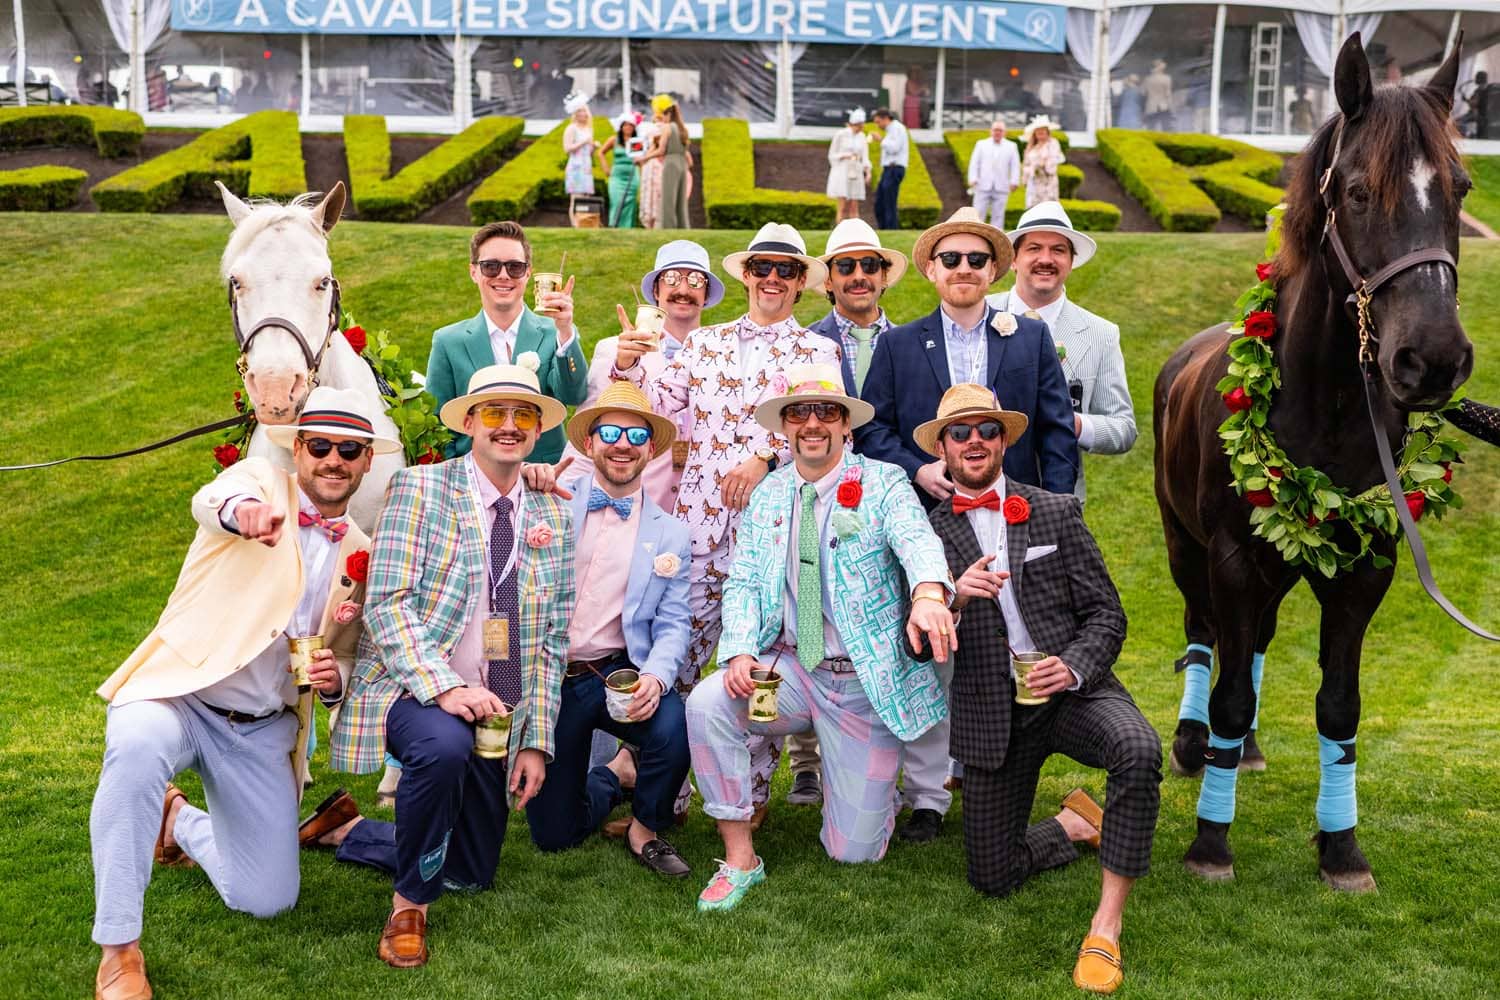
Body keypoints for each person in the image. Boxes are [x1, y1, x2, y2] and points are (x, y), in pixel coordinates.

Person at [88, 387, 390, 1000]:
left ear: (365, 462)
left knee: (267, 900)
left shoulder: (361, 552)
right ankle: (119, 950)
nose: (334, 460)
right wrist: (242, 514)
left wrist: (335, 685)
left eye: (350, 450)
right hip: (178, 694)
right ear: (298, 449)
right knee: (137, 750)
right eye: (321, 445)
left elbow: (352, 656)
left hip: (262, 728)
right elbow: (215, 498)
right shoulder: (258, 480)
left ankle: (179, 822)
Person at [324, 364, 573, 969]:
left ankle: (344, 829)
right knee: (442, 748)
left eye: (523, 415)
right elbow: (385, 605)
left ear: (538, 428)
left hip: (498, 705)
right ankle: (408, 909)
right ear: (468, 422)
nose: (509, 427)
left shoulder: (554, 513)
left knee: (472, 870)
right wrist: (445, 688)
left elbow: (551, 641)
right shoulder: (419, 488)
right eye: (494, 413)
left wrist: (536, 741)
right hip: (413, 688)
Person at [686, 365, 956, 911]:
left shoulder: (883, 483)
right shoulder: (769, 494)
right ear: (784, 428)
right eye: (799, 414)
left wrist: (928, 593)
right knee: (709, 701)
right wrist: (739, 650)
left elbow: (917, 540)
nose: (813, 424)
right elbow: (742, 581)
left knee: (853, 853)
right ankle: (740, 856)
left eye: (826, 413)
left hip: (862, 683)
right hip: (786, 673)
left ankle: (857, 782)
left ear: (845, 427)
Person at [920, 382, 1160, 995]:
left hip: (1074, 694)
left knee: (1138, 749)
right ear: (942, 449)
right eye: (960, 433)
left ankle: (1106, 927)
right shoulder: (922, 537)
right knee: (991, 877)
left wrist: (1073, 666)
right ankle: (1076, 824)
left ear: (1004, 441)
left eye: (987, 430)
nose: (974, 442)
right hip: (993, 716)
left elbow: (1108, 614)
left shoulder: (1053, 509)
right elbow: (909, 646)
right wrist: (951, 599)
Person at [858, 206, 1078, 843]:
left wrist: (1052, 519)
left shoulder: (1028, 337)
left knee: (1011, 640)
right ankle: (927, 794)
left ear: (992, 270)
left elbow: (1057, 431)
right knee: (932, 650)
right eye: (950, 258)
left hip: (1014, 517)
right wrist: (918, 470)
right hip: (928, 520)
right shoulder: (900, 345)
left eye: (976, 259)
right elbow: (871, 428)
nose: (962, 269)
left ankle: (995, 771)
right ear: (930, 270)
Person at [612, 223, 841, 822]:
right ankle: (669, 795)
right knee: (681, 657)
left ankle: (753, 794)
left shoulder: (818, 352)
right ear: (744, 274)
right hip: (697, 530)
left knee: (760, 662)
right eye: (762, 266)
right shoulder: (703, 343)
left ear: (800, 283)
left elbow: (829, 434)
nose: (772, 278)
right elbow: (658, 409)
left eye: (785, 270)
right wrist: (629, 363)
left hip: (778, 531)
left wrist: (766, 457)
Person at [790, 219, 910, 804]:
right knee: (810, 608)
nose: (859, 276)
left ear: (885, 276)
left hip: (889, 495)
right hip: (814, 489)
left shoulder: (911, 342)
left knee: (882, 615)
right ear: (828, 281)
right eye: (846, 267)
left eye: (869, 266)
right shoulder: (806, 343)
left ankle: (892, 744)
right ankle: (806, 757)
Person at [558, 239, 725, 513]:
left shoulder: (720, 358)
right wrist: (565, 501)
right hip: (633, 510)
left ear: (706, 294)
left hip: (701, 513)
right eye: (671, 279)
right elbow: (587, 441)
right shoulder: (615, 350)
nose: (683, 289)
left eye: (695, 281)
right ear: (656, 290)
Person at [988, 202, 1136, 503]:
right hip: (980, 492)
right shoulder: (979, 315)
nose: (1046, 259)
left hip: (1059, 501)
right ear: (1014, 258)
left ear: (1071, 261)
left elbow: (1124, 429)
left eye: (1058, 250)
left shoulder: (1101, 334)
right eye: (1034, 248)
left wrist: (1074, 423)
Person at [426, 220, 588, 464]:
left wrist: (564, 331)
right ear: (473, 271)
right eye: (490, 266)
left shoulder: (555, 332)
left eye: (514, 267)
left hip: (542, 474)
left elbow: (574, 394)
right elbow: (436, 424)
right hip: (471, 477)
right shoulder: (448, 341)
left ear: (528, 273)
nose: (503, 275)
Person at [641, 93, 691, 229]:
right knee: (681, 200)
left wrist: (644, 158)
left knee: (668, 197)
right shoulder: (683, 129)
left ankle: (668, 226)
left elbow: (661, 150)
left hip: (670, 163)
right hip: (682, 164)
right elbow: (687, 153)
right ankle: (683, 226)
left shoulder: (667, 127)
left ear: (667, 114)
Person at [967, 120, 1020, 226]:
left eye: (1000, 130)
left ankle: (997, 239)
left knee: (998, 215)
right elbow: (974, 163)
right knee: (978, 214)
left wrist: (1014, 181)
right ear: (991, 131)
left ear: (1004, 132)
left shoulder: (1011, 146)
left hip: (1001, 186)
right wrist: (972, 178)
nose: (997, 132)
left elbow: (1015, 166)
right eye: (995, 130)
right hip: (982, 185)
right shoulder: (981, 144)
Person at [826, 108, 872, 223]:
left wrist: (868, 172)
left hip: (856, 170)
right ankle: (839, 231)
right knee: (842, 205)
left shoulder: (862, 136)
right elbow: (832, 154)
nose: (862, 126)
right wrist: (845, 155)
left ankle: (855, 233)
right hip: (842, 171)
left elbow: (865, 157)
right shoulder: (841, 134)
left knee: (854, 205)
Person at [598, 114, 642, 228]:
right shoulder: (614, 140)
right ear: (621, 127)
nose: (628, 128)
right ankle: (614, 225)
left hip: (632, 176)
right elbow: (601, 152)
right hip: (617, 176)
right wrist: (606, 169)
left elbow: (641, 160)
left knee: (629, 204)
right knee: (617, 201)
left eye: (631, 125)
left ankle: (627, 227)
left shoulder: (636, 142)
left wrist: (639, 161)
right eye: (626, 125)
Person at [871, 108, 908, 231]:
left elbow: (895, 148)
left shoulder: (897, 128)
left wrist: (881, 140)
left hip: (894, 168)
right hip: (888, 170)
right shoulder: (891, 130)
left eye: (878, 122)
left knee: (889, 202)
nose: (878, 125)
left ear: (886, 118)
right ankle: (884, 228)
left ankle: (891, 229)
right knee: (880, 202)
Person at [1020, 115, 1065, 208]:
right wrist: (1029, 172)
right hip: (1033, 183)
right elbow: (1026, 164)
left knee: (1047, 208)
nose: (1040, 132)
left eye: (1043, 130)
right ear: (1034, 133)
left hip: (1047, 183)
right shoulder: (1032, 147)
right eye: (1038, 130)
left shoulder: (1053, 143)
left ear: (1047, 132)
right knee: (1032, 209)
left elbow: (1053, 162)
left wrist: (1042, 164)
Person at [563, 94, 597, 199]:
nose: (584, 113)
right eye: (581, 111)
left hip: (586, 165)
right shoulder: (571, 128)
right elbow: (567, 148)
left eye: (585, 110)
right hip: (575, 166)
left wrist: (594, 147)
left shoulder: (588, 129)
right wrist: (583, 142)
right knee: (576, 198)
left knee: (586, 200)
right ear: (576, 114)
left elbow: (589, 152)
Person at [1143, 59, 1173, 131]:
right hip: (1163, 105)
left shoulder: (1147, 79)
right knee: (1165, 127)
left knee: (1151, 127)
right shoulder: (1166, 78)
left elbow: (1143, 93)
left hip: (1151, 105)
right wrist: (1171, 107)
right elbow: (1168, 94)